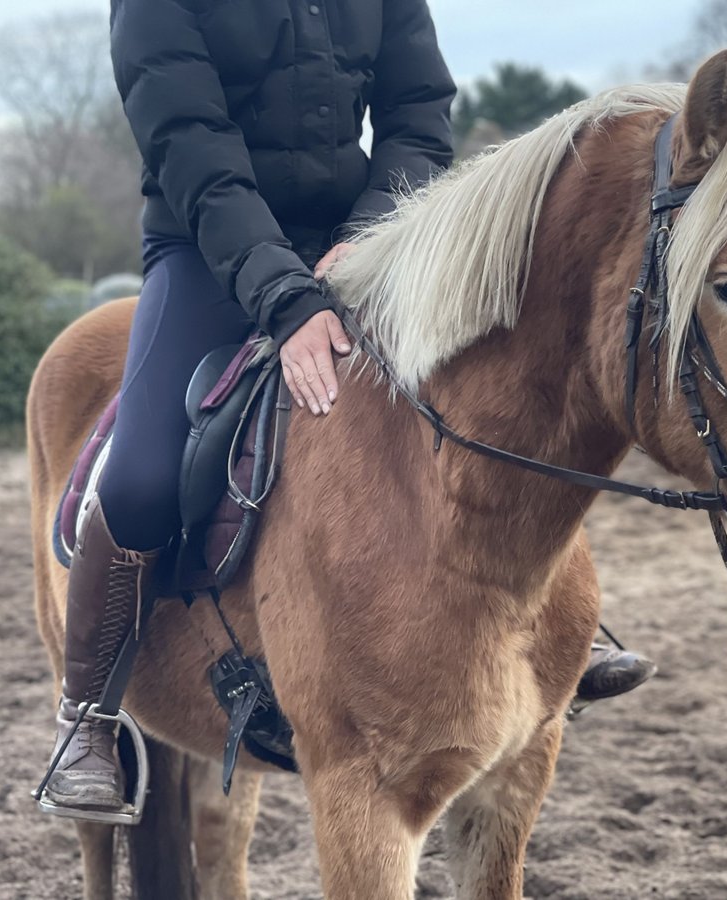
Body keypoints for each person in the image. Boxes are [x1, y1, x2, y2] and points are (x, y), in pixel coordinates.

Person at [41, 0, 655, 815]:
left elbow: (418, 111)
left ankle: (550, 630)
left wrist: (370, 238)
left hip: (364, 238)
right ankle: (86, 712)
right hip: (206, 246)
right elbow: (193, 151)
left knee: (508, 394)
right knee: (142, 478)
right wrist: (287, 300)